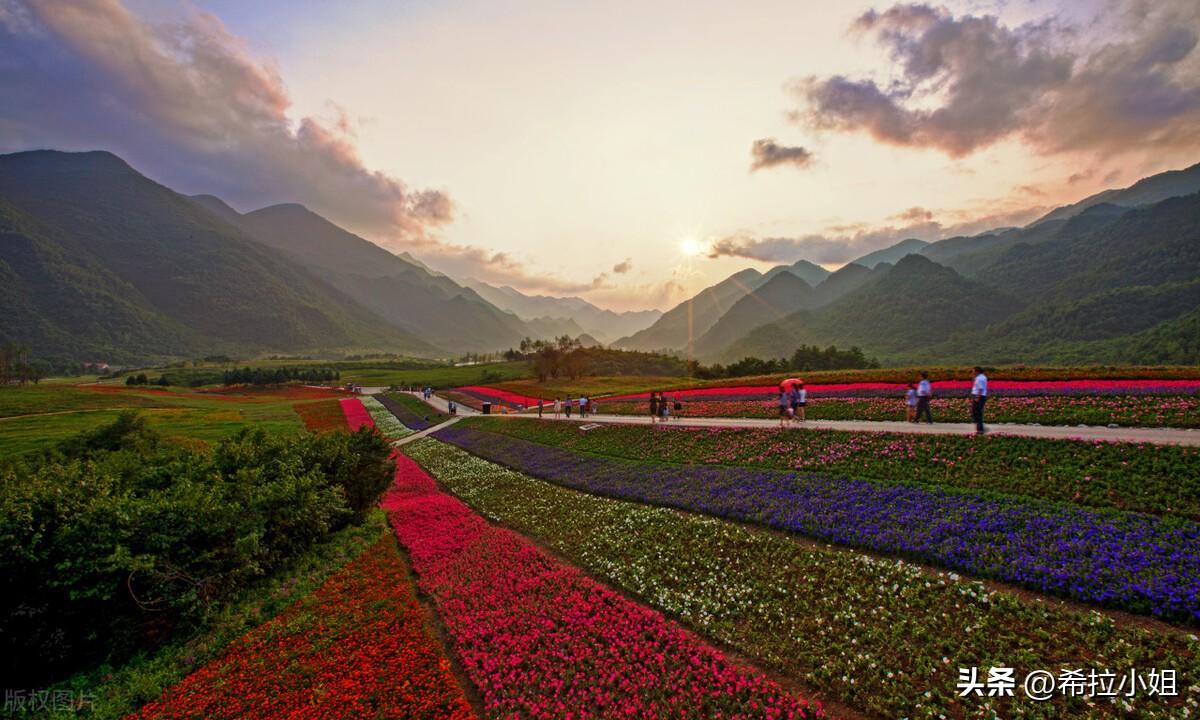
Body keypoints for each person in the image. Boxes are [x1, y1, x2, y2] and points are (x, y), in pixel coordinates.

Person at [970, 366, 988, 434]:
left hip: (979, 396)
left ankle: (980, 429)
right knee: (977, 412)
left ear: (977, 371)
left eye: (973, 371)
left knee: (977, 413)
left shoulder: (979, 378)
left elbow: (980, 389)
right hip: (981, 396)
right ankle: (979, 426)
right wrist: (974, 377)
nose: (972, 372)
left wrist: (977, 397)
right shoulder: (982, 377)